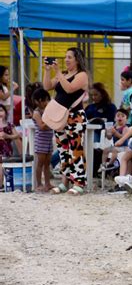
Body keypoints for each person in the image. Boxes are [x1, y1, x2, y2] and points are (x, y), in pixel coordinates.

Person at [44, 47, 89, 195]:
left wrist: (57, 72)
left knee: (75, 149)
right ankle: (64, 182)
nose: (66, 60)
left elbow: (69, 89)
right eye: (65, 57)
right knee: (63, 149)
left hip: (75, 115)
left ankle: (79, 182)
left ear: (77, 59)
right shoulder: (63, 74)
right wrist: (47, 70)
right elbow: (47, 86)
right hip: (60, 116)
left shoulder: (82, 75)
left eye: (69, 57)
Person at [31, 88, 54, 192]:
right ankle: (39, 183)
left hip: (48, 140)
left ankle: (48, 183)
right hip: (41, 141)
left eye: (47, 100)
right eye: (44, 100)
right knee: (40, 163)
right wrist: (51, 121)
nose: (46, 103)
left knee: (47, 163)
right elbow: (42, 126)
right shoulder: (36, 113)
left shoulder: (47, 110)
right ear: (37, 101)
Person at [0, 104, 21, 190]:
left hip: (6, 149)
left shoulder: (9, 125)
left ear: (5, 112)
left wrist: (7, 136)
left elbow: (16, 135)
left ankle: (1, 184)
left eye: (1, 110)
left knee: (2, 165)